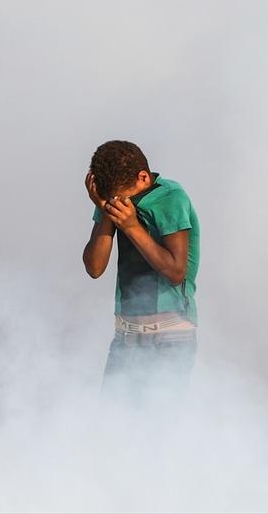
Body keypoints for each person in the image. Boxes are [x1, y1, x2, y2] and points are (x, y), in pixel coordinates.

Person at [82, 140, 200, 387]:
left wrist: (131, 226)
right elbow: (94, 268)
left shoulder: (170, 197)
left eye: (121, 199)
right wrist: (105, 212)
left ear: (143, 177)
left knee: (159, 421)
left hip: (170, 339)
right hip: (126, 337)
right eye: (112, 201)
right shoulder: (114, 200)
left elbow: (176, 271)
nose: (119, 206)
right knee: (111, 421)